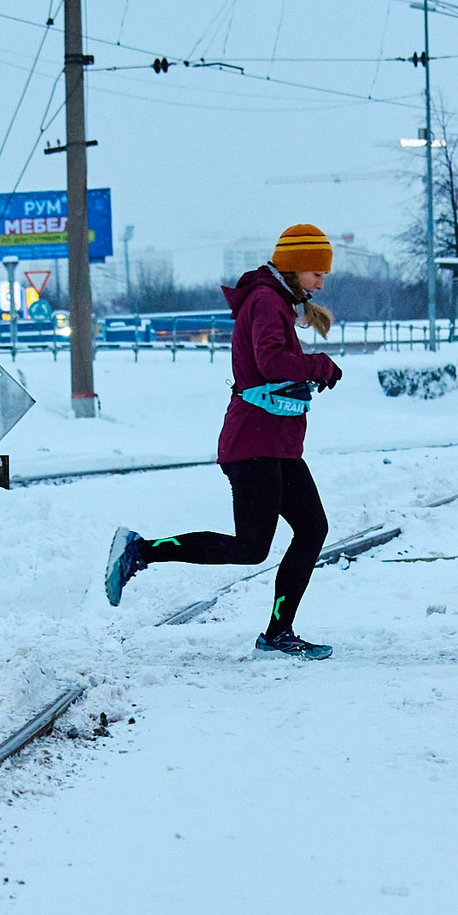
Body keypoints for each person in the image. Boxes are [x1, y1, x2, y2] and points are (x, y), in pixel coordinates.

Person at [101, 223, 345, 659]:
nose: (321, 282)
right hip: (254, 444)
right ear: (293, 267)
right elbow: (271, 363)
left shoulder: (276, 301)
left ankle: (277, 634)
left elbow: (271, 365)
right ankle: (140, 551)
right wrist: (319, 366)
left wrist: (307, 375)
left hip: (275, 443)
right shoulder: (267, 301)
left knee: (312, 529)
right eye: (315, 273)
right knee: (251, 547)